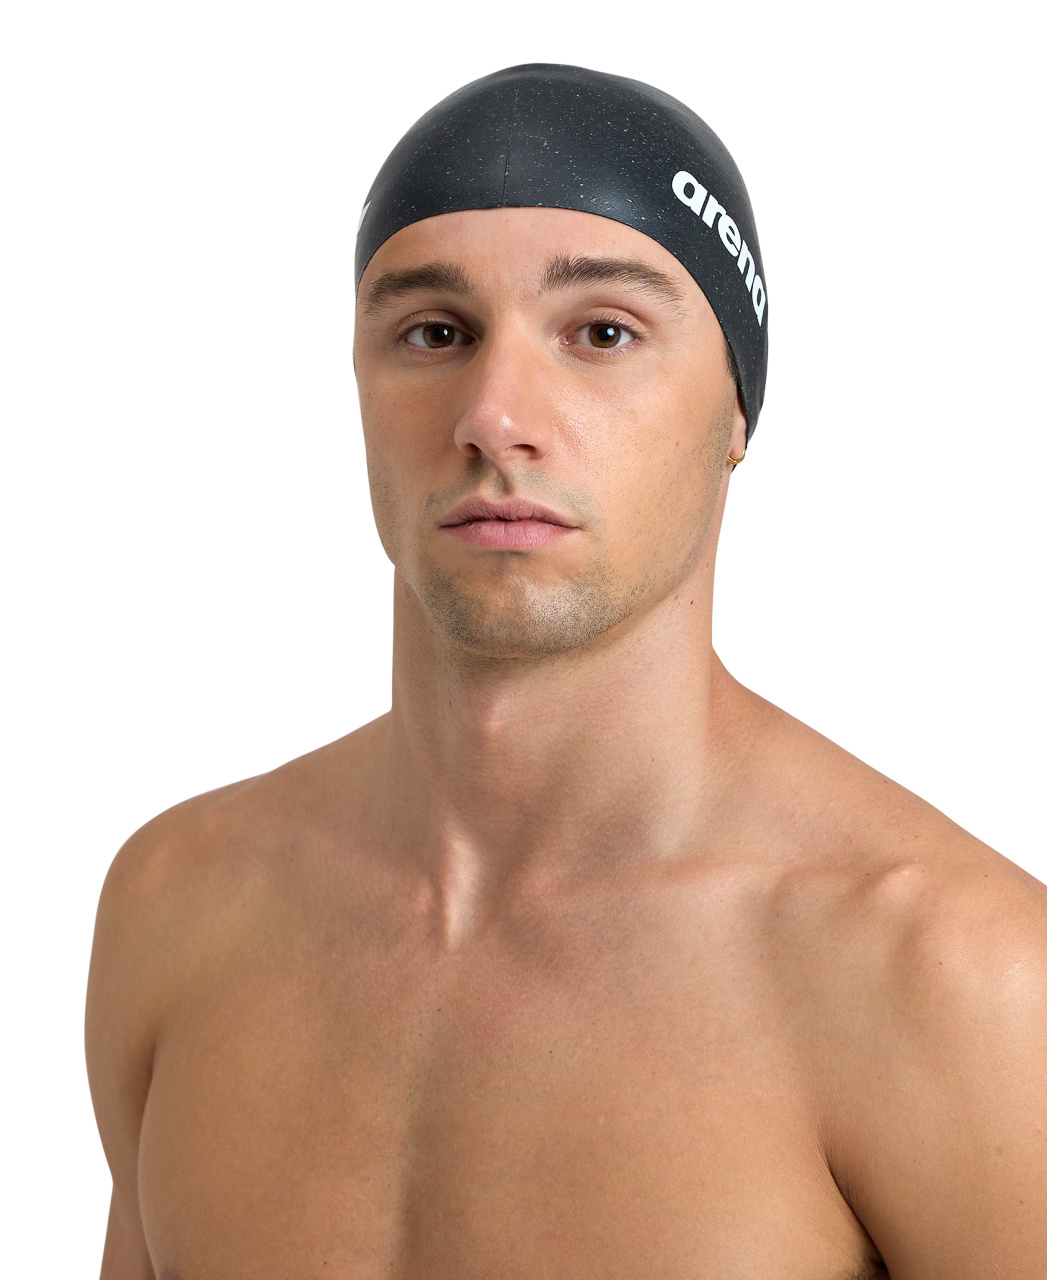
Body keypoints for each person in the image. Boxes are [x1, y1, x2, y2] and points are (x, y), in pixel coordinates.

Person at [86, 64, 1047, 1279]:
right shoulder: (182, 906)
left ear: (737, 410)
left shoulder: (954, 978)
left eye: (603, 332)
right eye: (435, 332)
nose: (494, 413)